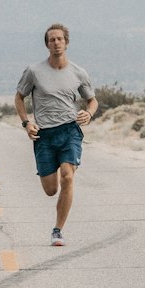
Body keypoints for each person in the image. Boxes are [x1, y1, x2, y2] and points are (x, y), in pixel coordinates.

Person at [15, 24, 98, 246]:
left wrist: (88, 114)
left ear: (67, 42)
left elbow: (92, 100)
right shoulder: (34, 71)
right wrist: (26, 123)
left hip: (70, 130)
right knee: (51, 189)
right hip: (45, 135)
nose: (56, 43)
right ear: (47, 44)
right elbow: (19, 97)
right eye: (52, 40)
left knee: (68, 176)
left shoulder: (78, 72)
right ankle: (57, 213)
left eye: (60, 39)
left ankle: (57, 231)